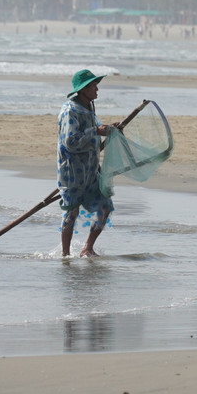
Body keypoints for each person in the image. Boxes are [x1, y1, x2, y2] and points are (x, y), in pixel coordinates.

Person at [58, 69, 115, 256]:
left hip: (90, 170)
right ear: (83, 90)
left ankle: (87, 248)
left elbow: (92, 132)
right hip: (72, 173)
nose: (97, 89)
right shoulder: (70, 111)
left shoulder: (89, 107)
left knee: (105, 207)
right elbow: (70, 141)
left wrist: (104, 131)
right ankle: (65, 255)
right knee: (71, 213)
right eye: (93, 85)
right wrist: (96, 132)